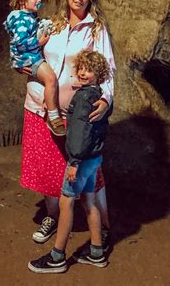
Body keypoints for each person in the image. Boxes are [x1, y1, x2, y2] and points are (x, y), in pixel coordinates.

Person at [21, 0, 115, 250]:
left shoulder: (96, 30)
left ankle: (104, 226)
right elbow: (29, 50)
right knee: (49, 167)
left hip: (77, 113)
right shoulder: (53, 24)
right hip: (40, 106)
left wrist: (106, 99)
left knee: (88, 173)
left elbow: (108, 68)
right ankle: (53, 216)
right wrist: (21, 65)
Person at [29, 50, 112, 273]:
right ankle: (96, 252)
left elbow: (80, 133)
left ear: (99, 73)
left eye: (89, 70)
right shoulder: (99, 96)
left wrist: (74, 162)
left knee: (66, 204)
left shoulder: (84, 98)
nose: (83, 73)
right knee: (90, 201)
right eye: (81, 69)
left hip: (80, 160)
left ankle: (57, 256)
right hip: (94, 158)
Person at [3, 0, 65, 137]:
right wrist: (39, 42)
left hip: (30, 57)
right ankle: (53, 117)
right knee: (51, 79)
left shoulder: (28, 17)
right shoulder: (20, 19)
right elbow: (20, 42)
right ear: (22, 0)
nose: (39, 1)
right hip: (30, 58)